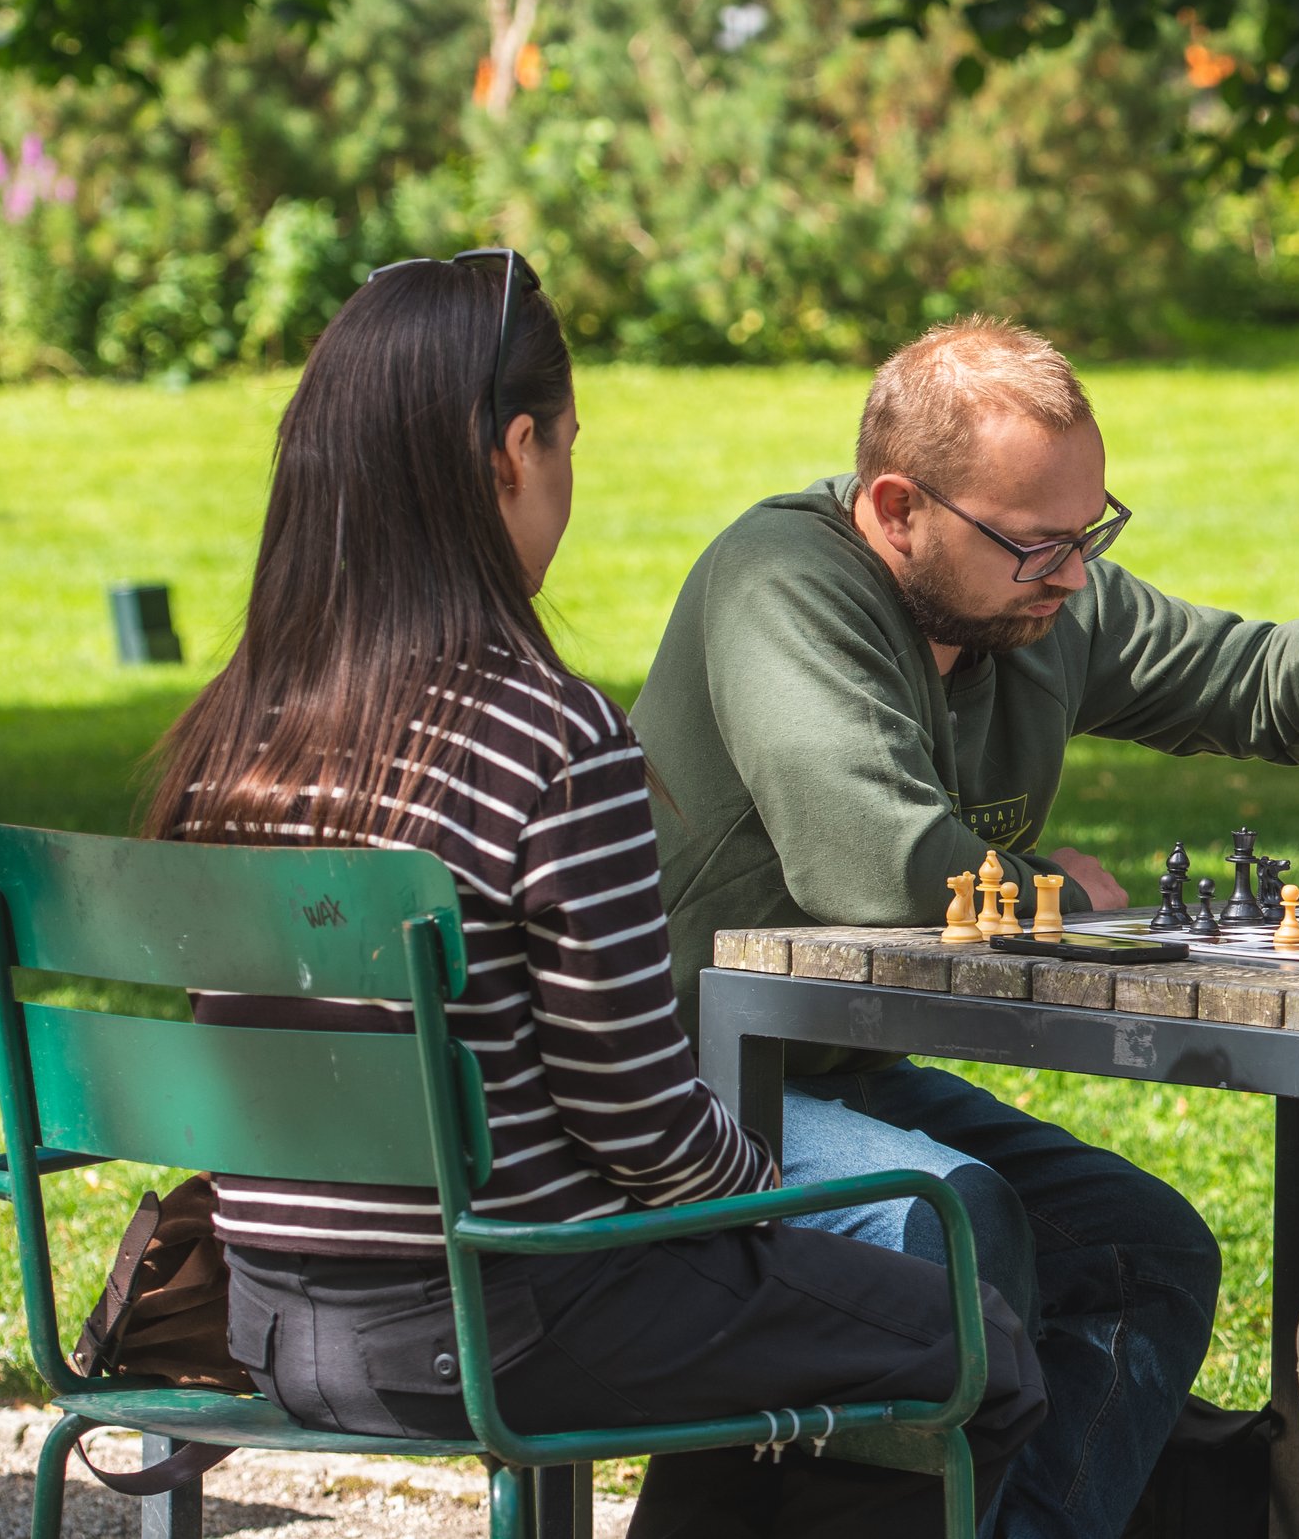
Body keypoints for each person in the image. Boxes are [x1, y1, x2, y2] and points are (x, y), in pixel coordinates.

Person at [147, 253, 1044, 1538]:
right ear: (515, 450)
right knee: (970, 1337)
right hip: (510, 1318)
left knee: (810, 1299)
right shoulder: (545, 740)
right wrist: (766, 1195)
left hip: (273, 1313)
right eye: (567, 442)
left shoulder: (237, 734)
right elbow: (643, 1125)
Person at [631, 315, 1299, 1539]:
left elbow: (1233, 674)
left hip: (839, 1067)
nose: (1071, 575)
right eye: (1037, 545)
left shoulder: (1036, 601)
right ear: (898, 506)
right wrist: (1051, 892)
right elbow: (877, 857)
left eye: (1090, 533)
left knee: (1149, 1253)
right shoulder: (782, 581)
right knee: (956, 1222)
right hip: (688, 1084)